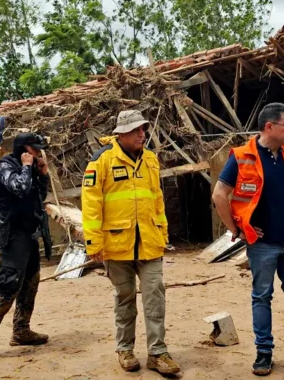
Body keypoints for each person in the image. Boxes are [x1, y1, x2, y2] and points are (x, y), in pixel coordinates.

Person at [212, 103, 284, 377]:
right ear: (269, 126)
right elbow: (219, 194)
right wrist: (236, 230)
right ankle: (264, 353)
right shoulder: (242, 156)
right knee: (262, 297)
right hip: (262, 244)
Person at [81, 110, 181, 375]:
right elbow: (91, 204)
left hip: (149, 241)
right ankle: (125, 350)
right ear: (121, 134)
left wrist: (163, 232)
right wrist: (94, 243)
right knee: (124, 298)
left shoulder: (150, 159)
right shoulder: (101, 160)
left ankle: (157, 353)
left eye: (143, 129)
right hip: (116, 244)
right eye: (136, 130)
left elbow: (157, 199)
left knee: (155, 297)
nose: (142, 134)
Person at [0, 132, 53, 365]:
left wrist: (42, 175)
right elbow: (20, 189)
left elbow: (38, 196)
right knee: (8, 286)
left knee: (30, 283)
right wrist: (27, 167)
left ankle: (21, 330)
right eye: (35, 149)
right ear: (24, 149)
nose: (39, 153)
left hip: (29, 234)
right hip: (13, 235)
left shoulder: (31, 168)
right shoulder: (5, 167)